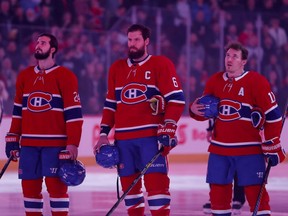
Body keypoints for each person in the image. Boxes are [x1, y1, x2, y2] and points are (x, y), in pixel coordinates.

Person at [94, 24, 185, 216]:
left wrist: (169, 126)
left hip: (150, 139)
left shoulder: (161, 64)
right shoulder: (116, 69)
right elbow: (111, 105)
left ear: (146, 41)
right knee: (130, 190)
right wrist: (103, 134)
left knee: (157, 187)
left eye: (136, 40)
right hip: (124, 141)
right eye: (129, 40)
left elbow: (176, 100)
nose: (132, 44)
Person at [189, 42, 286, 216]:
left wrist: (272, 143)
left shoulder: (256, 82)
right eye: (227, 55)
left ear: (243, 62)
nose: (229, 59)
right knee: (218, 200)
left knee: (258, 198)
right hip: (219, 151)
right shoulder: (215, 80)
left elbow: (274, 116)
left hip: (249, 151)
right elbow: (204, 110)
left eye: (235, 56)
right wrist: (194, 111)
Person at [5, 33, 83, 216]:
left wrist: (72, 144)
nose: (38, 45)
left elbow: (74, 115)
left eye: (43, 42)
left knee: (57, 191)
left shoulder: (66, 76)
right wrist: (12, 137)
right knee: (30, 191)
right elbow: (18, 112)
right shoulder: (24, 76)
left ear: (53, 49)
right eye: (37, 42)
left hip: (55, 146)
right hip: (29, 146)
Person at [203, 119, 246, 215]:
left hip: (240, 131)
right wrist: (210, 129)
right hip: (220, 132)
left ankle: (238, 199)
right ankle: (215, 198)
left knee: (238, 167)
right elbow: (213, 109)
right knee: (217, 168)